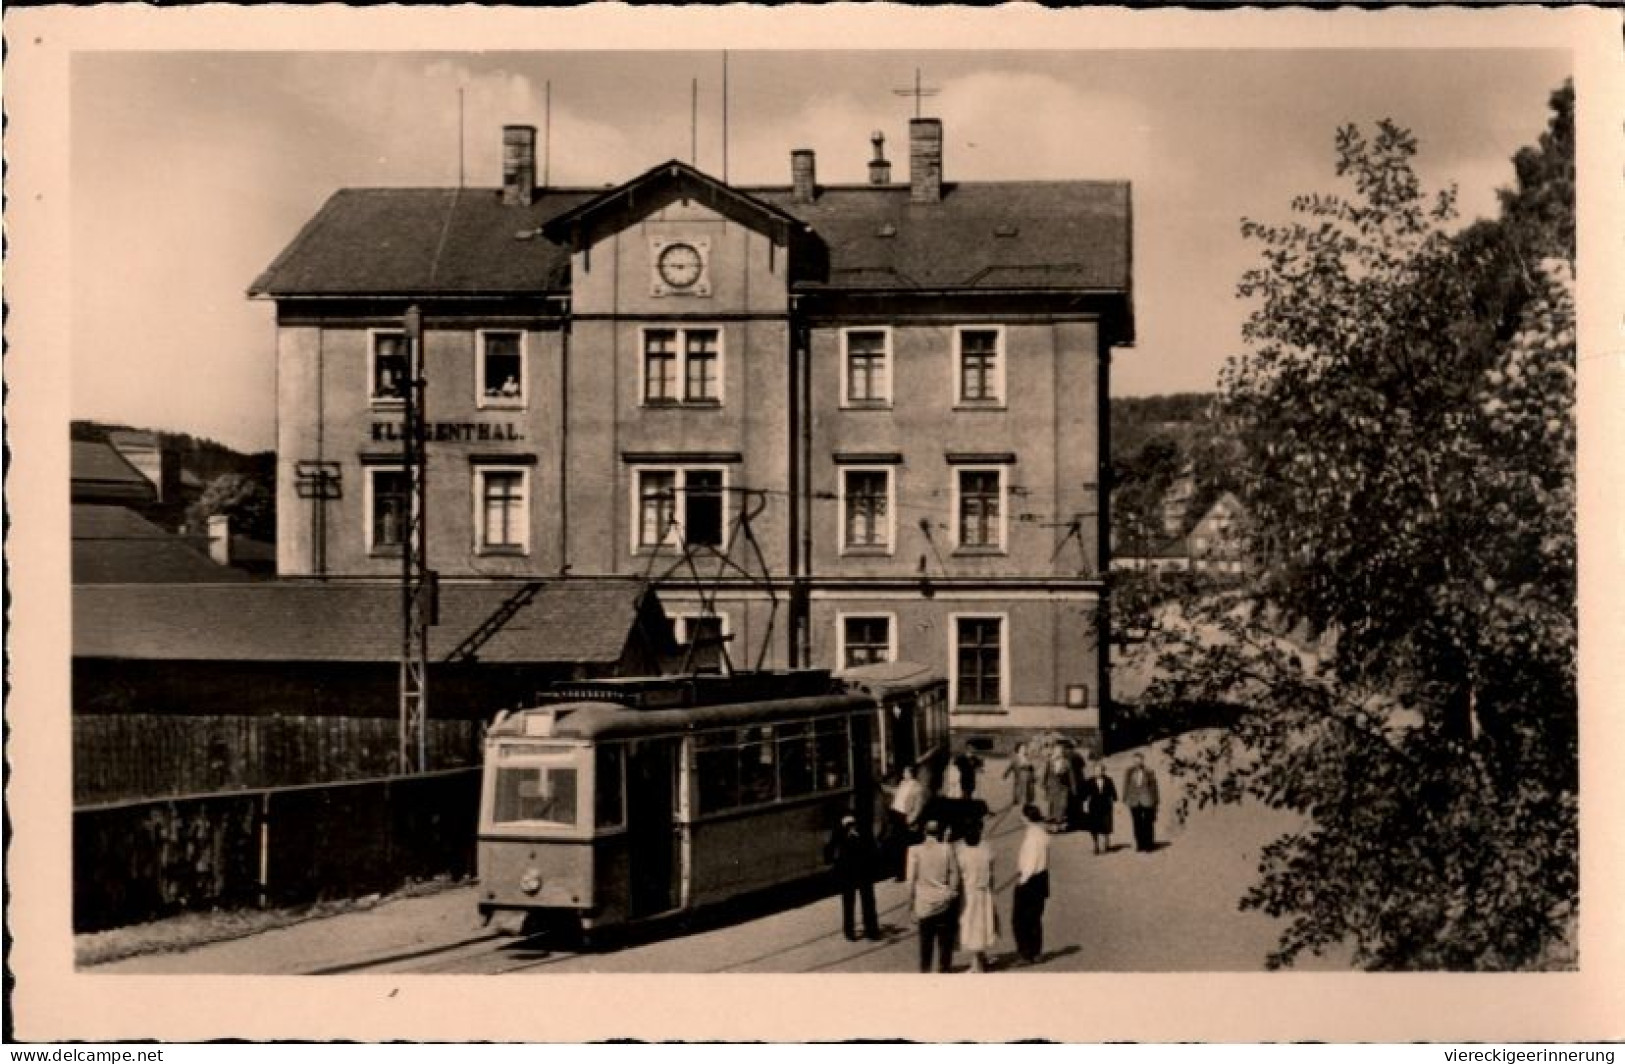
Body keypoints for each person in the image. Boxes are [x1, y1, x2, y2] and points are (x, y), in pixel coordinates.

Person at [906, 819, 961, 973]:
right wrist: (950, 892)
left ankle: (925, 970)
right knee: (945, 941)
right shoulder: (946, 849)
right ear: (938, 833)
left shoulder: (914, 851)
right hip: (944, 901)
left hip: (924, 904)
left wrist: (910, 905)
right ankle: (944, 969)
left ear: (924, 832)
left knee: (925, 941)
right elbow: (954, 873)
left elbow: (910, 881)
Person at [824, 814, 882, 941]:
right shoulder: (843, 831)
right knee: (863, 901)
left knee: (855, 901)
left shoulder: (846, 831)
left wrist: (832, 861)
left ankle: (856, 931)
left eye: (852, 825)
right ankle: (868, 931)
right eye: (849, 825)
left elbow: (830, 849)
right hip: (855, 871)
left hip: (855, 871)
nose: (851, 828)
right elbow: (874, 850)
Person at [955, 819, 998, 973]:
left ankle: (977, 964)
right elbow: (992, 873)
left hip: (969, 892)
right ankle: (981, 957)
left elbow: (957, 875)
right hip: (984, 891)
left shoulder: (961, 852)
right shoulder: (987, 849)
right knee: (984, 924)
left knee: (971, 926)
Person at [1011, 804, 1051, 965]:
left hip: (1030, 880)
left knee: (1019, 919)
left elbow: (1031, 863)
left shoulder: (1032, 838)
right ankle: (1036, 952)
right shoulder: (1042, 834)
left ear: (1027, 818)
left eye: (1022, 816)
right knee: (1035, 918)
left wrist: (1022, 881)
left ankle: (1025, 953)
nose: (1020, 818)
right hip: (1042, 879)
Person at [887, 766, 927, 880]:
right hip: (896, 816)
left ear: (911, 773)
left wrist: (910, 820)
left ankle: (904, 874)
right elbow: (895, 792)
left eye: (905, 771)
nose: (903, 773)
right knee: (896, 847)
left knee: (905, 848)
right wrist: (882, 786)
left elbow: (918, 807)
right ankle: (898, 872)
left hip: (905, 819)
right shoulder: (902, 783)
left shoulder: (917, 788)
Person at [1122, 751, 1161, 853]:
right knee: (1137, 823)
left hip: (1147, 800)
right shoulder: (1129, 771)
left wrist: (1156, 800)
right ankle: (1140, 844)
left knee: (1148, 823)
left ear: (1143, 761)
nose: (1137, 763)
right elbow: (1126, 785)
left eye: (1139, 761)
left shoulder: (1149, 771)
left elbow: (1154, 786)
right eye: (1135, 761)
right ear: (1133, 761)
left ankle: (1149, 844)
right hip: (1134, 801)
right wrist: (1125, 798)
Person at [1079, 762, 1119, 855]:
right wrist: (1085, 805)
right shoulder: (1089, 781)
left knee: (1106, 825)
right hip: (1094, 806)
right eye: (1096, 770)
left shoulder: (1109, 780)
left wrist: (1114, 804)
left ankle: (1105, 843)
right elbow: (1084, 795)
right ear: (1093, 771)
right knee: (1094, 826)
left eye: (1100, 770)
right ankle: (1096, 845)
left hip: (1106, 806)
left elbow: (1114, 794)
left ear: (1103, 771)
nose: (1098, 772)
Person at [1044, 744, 1074, 832]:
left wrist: (1073, 788)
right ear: (1053, 752)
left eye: (1060, 751)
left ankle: (1060, 825)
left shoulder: (1067, 762)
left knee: (1062, 805)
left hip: (1063, 788)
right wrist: (1044, 785)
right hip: (1052, 788)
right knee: (1053, 806)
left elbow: (1071, 776)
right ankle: (1052, 826)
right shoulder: (1049, 762)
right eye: (1056, 751)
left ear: (1063, 752)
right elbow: (1045, 774)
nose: (1058, 753)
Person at [1002, 741, 1035, 810]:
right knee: (1021, 798)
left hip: (1028, 781)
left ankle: (1025, 812)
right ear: (1018, 749)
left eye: (1024, 748)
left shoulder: (1027, 758)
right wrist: (1005, 776)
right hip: (1020, 781)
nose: (1024, 749)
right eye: (1022, 748)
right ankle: (1020, 812)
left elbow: (1031, 769)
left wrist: (1032, 773)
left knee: (1028, 798)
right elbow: (1010, 767)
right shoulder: (1015, 758)